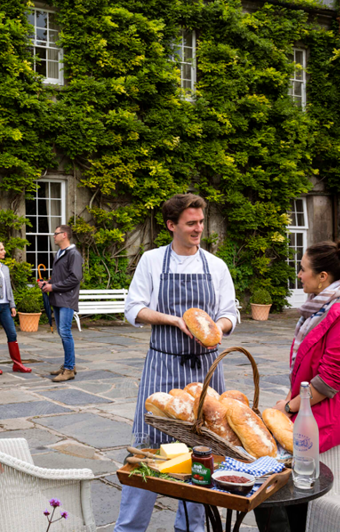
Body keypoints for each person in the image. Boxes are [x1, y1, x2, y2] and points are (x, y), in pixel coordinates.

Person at [116, 194, 238, 532]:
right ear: (172, 226)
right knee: (148, 448)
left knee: (203, 450)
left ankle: (191, 529)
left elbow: (230, 312)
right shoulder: (153, 261)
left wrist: (216, 328)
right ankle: (129, 528)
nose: (199, 229)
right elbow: (133, 309)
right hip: (163, 365)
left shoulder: (216, 266)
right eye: (191, 223)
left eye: (201, 222)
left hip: (206, 368)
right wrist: (172, 320)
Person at [255, 238, 340, 532]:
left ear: (323, 277)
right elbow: (303, 370)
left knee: (264, 471)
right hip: (311, 403)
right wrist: (287, 401)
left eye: (303, 269)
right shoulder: (321, 309)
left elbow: (327, 382)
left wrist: (287, 407)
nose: (299, 275)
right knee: (261, 450)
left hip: (333, 410)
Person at [0, 240, 32, 374]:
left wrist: (12, 305)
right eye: (1, 249)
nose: (4, 252)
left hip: (5, 306)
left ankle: (17, 364)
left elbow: (8, 288)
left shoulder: (5, 268)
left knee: (12, 333)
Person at [40, 225, 83, 383]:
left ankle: (69, 369)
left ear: (64, 235)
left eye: (56, 234)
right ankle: (68, 365)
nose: (54, 236)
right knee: (62, 332)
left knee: (65, 332)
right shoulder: (60, 253)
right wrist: (48, 283)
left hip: (67, 299)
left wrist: (53, 287)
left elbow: (74, 278)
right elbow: (61, 277)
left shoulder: (73, 254)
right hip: (58, 298)